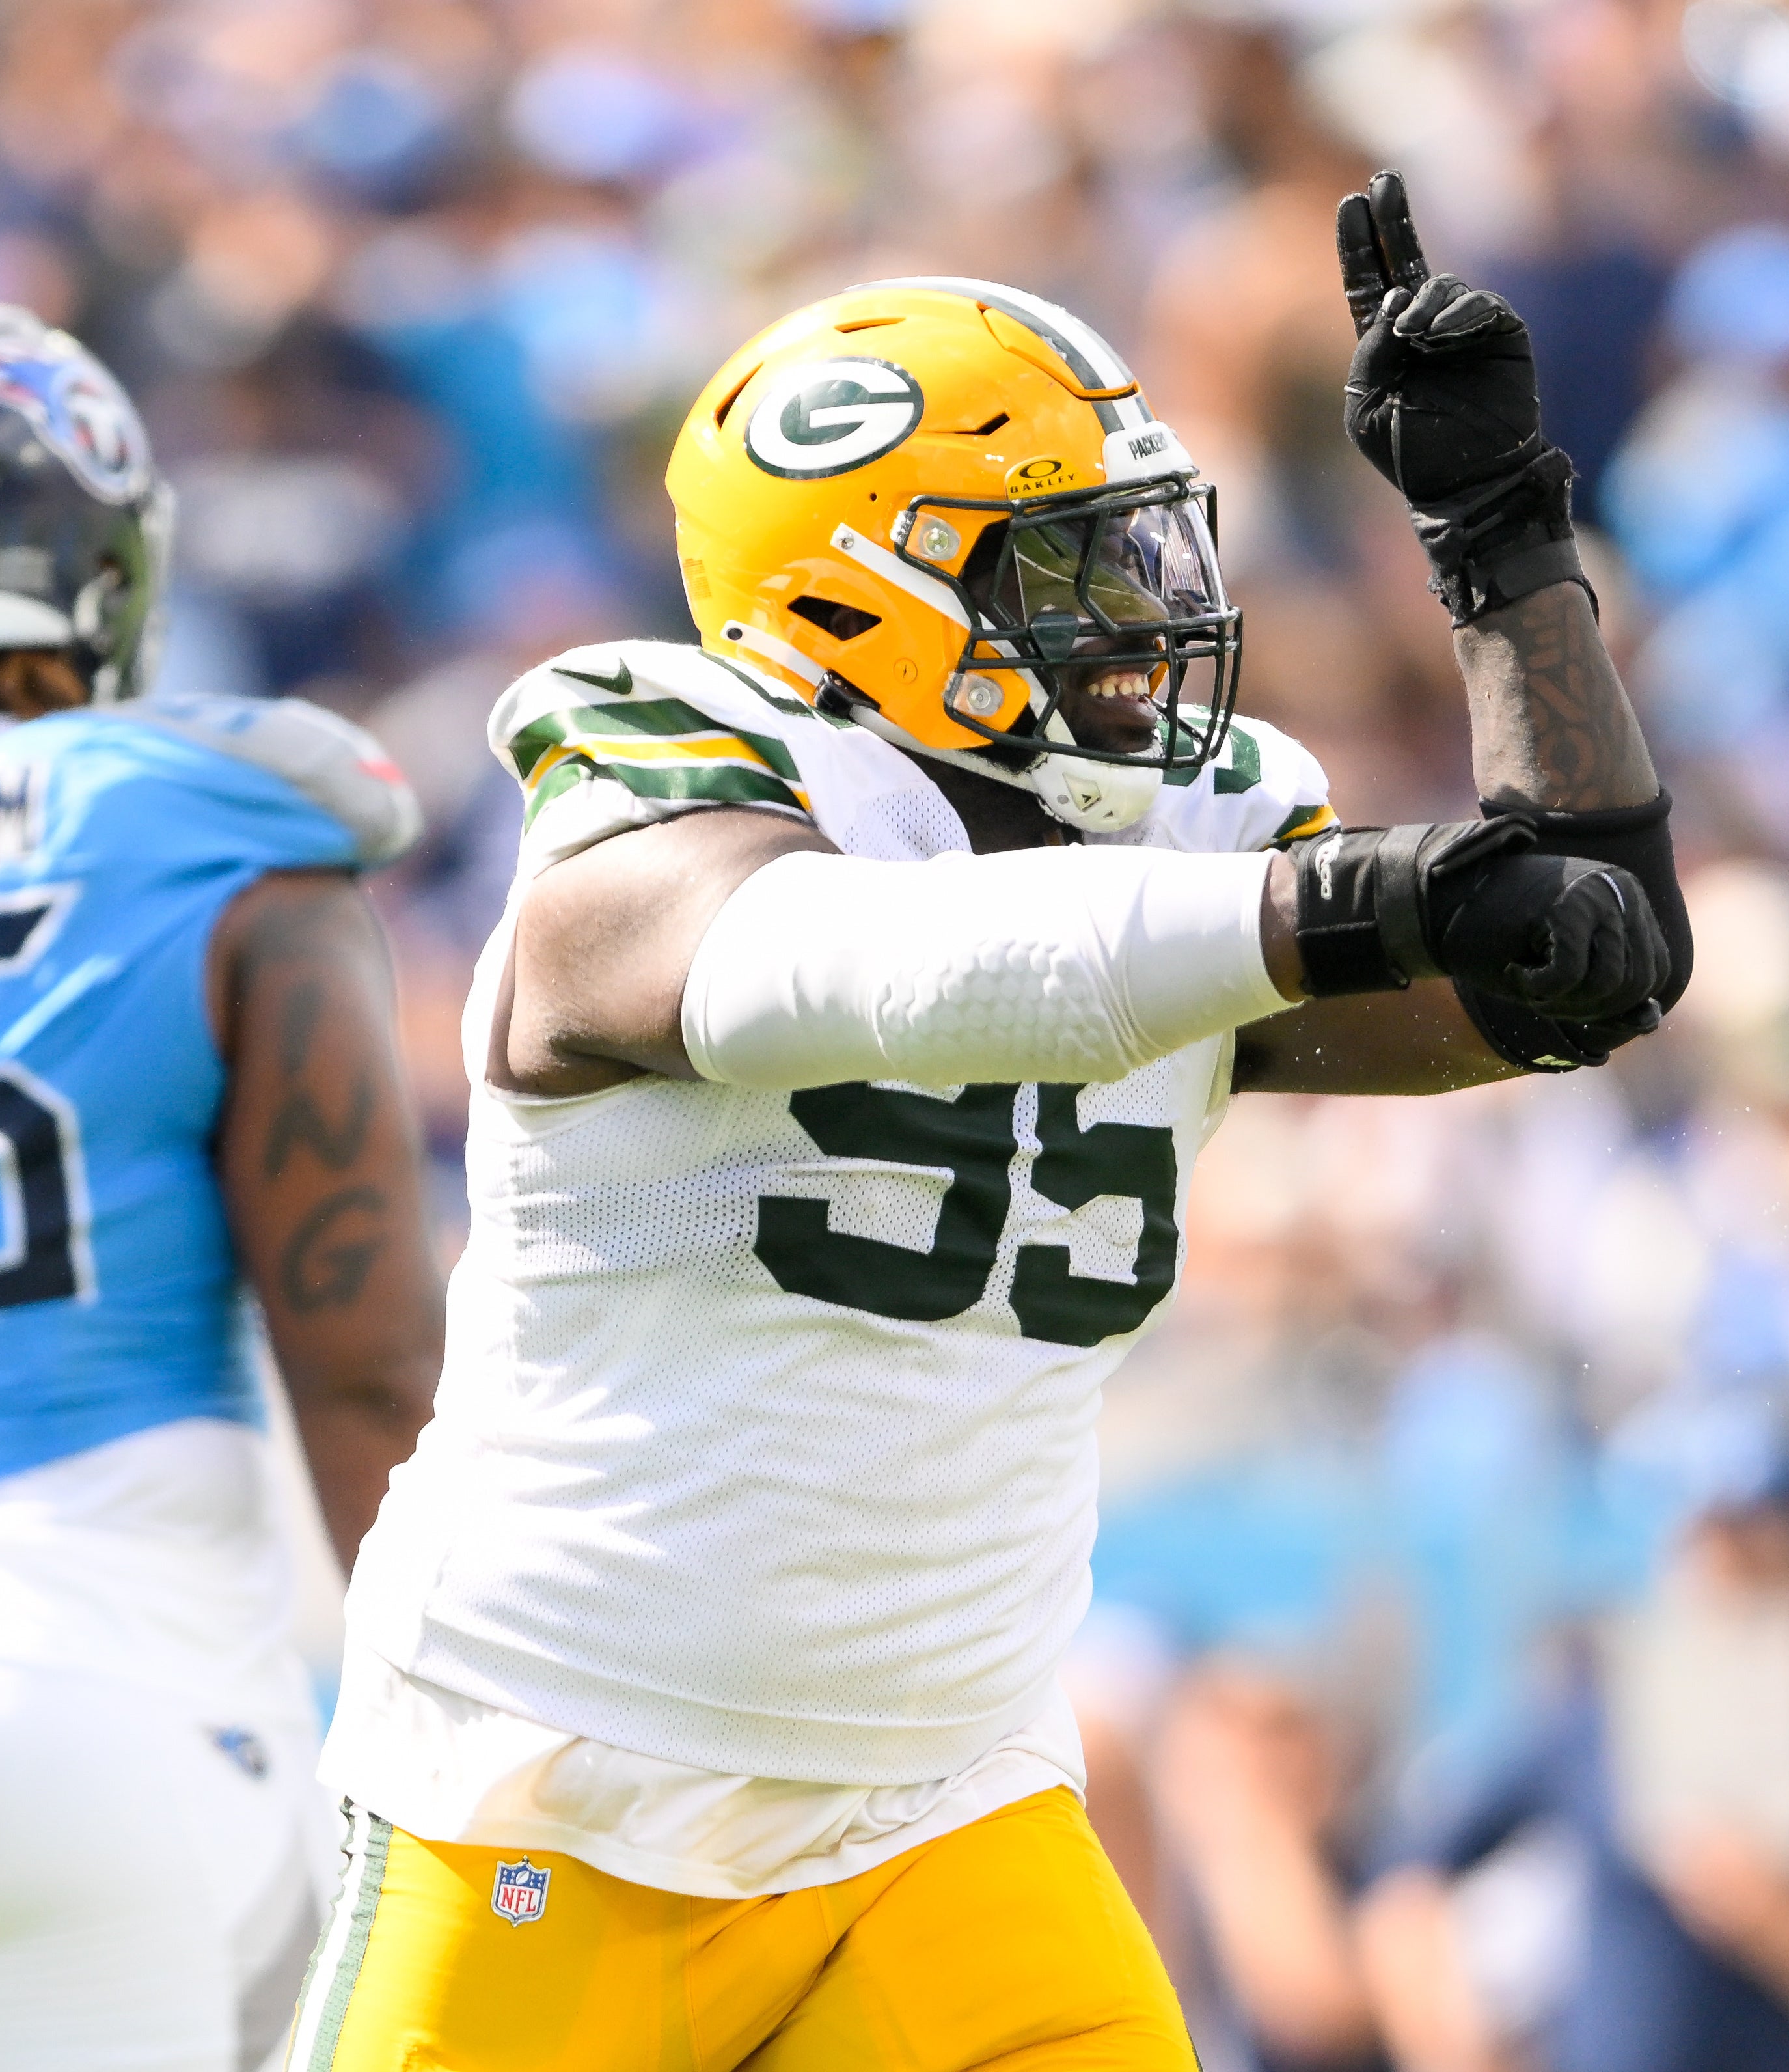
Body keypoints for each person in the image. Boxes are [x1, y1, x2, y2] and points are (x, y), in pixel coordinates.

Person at [294, 173, 1687, 2071]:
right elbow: (800, 965)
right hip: (561, 1780)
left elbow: (1582, 964)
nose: (1151, 615)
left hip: (941, 1792)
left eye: (1146, 551)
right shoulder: (672, 767)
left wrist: (1504, 551)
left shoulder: (1193, 823)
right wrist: (1329, 903)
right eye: (1066, 564)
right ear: (858, 591)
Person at [0, 300, 443, 2071]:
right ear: (101, 556)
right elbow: (368, 1368)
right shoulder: (222, 823)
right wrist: (471, 1727)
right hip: (112, 1694)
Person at [1356, 1420, 1789, 2072]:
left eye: (1754, 1536)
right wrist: (1455, 2040)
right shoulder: (1604, 1719)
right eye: (1707, 1532)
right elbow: (1405, 1878)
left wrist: (1773, 1913)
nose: (1723, 1562)